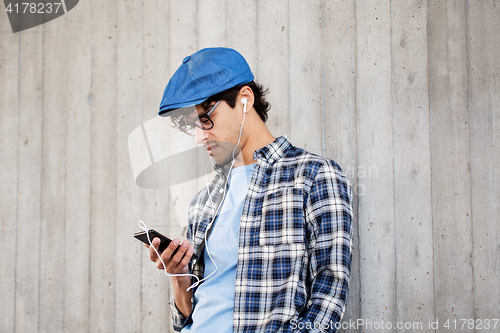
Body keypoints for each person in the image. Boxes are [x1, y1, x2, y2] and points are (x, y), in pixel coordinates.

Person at [146, 47, 353, 332]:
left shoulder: (313, 176)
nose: (199, 136)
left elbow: (329, 296)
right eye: (192, 125)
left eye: (206, 118)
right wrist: (178, 276)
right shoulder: (203, 202)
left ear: (244, 99)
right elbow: (184, 319)